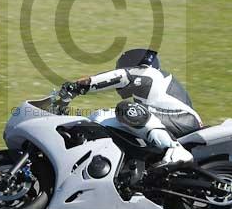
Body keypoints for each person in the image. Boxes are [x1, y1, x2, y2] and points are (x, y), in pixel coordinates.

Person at [59, 48, 202, 168]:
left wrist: (77, 87)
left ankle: (175, 149)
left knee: (125, 109)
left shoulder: (150, 73)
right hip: (178, 120)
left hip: (184, 119)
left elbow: (118, 77)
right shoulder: (151, 96)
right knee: (106, 116)